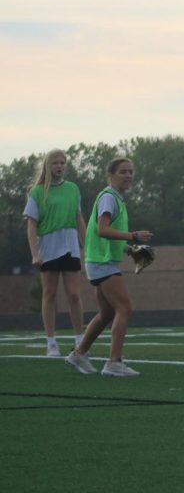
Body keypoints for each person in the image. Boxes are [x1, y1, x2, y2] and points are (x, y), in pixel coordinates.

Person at [64, 158, 153, 377]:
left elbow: (108, 236)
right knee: (125, 308)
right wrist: (133, 236)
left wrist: (131, 250)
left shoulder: (115, 200)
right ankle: (114, 362)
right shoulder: (109, 198)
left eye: (131, 171)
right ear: (110, 175)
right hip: (102, 262)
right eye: (123, 172)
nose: (129, 175)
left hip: (98, 260)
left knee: (106, 312)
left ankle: (79, 353)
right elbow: (102, 230)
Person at [23, 149, 87, 357]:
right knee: (49, 294)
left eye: (62, 163)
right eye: (55, 163)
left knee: (75, 295)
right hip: (48, 249)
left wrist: (86, 245)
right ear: (48, 166)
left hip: (70, 247)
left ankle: (80, 340)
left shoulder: (73, 189)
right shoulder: (38, 192)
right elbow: (32, 226)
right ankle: (51, 342)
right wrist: (35, 253)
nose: (59, 166)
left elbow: (79, 219)